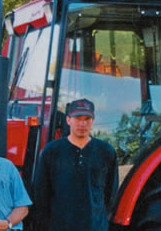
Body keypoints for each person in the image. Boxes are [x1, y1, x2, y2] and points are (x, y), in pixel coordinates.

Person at [32, 99, 118, 231]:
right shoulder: (52, 151)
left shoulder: (106, 151)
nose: (82, 124)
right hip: (60, 226)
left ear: (92, 121)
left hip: (94, 226)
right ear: (68, 120)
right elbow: (41, 193)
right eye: (77, 118)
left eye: (87, 119)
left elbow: (110, 193)